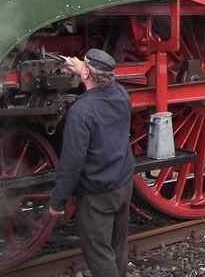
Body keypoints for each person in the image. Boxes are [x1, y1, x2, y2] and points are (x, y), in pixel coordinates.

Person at [49, 49, 135, 277]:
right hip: (123, 183)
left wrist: (58, 200)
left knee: (99, 253)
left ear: (87, 72)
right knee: (118, 247)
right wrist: (83, 70)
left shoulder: (81, 111)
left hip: (98, 193)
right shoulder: (121, 93)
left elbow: (73, 160)